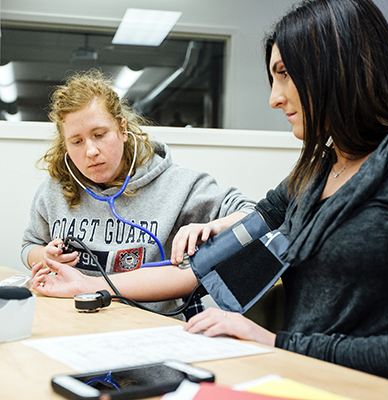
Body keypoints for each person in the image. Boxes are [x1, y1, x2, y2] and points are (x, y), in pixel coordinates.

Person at [30, 0, 388, 381]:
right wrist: (219, 229)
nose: (274, 98)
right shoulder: (316, 170)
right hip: (300, 375)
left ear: (338, 65)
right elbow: (207, 262)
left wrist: (275, 342)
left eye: (285, 73)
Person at [23, 69, 255, 319]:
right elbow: (29, 245)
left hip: (147, 327)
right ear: (65, 146)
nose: (91, 151)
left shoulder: (179, 185)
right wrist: (47, 258)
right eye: (76, 142)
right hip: (71, 322)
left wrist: (213, 227)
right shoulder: (54, 190)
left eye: (99, 135)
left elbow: (255, 214)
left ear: (122, 129)